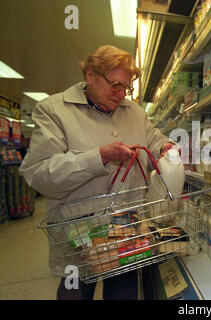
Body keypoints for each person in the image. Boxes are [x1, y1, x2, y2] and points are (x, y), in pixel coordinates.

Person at [19, 45, 176, 300]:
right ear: (90, 76)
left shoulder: (134, 112)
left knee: (123, 293)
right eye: (115, 85)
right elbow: (39, 175)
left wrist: (164, 147)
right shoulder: (54, 110)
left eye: (126, 87)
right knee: (75, 294)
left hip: (125, 232)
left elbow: (153, 140)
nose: (121, 94)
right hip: (77, 237)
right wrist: (98, 157)